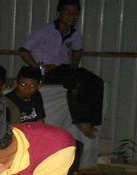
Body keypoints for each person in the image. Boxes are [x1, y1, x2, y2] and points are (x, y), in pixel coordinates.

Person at [19, 0, 103, 138]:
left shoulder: (75, 34)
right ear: (59, 13)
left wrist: (75, 66)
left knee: (97, 81)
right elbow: (23, 51)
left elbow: (77, 51)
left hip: (63, 68)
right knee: (76, 82)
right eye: (67, 12)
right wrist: (39, 69)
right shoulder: (45, 31)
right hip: (47, 70)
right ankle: (80, 120)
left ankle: (92, 121)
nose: (72, 16)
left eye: (75, 13)